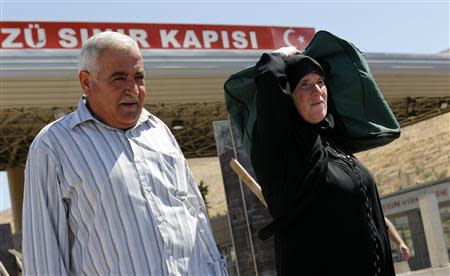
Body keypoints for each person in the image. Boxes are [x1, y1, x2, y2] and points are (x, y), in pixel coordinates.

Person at [22, 31, 227, 275]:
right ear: (87, 82)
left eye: (138, 77)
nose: (133, 89)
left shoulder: (159, 131)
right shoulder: (52, 146)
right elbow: (43, 255)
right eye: (119, 78)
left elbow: (197, 217)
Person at [251, 46, 395, 275]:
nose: (316, 90)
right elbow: (269, 79)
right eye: (304, 84)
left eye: (320, 82)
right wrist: (281, 54)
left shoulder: (331, 144)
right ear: (288, 95)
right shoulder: (284, 148)